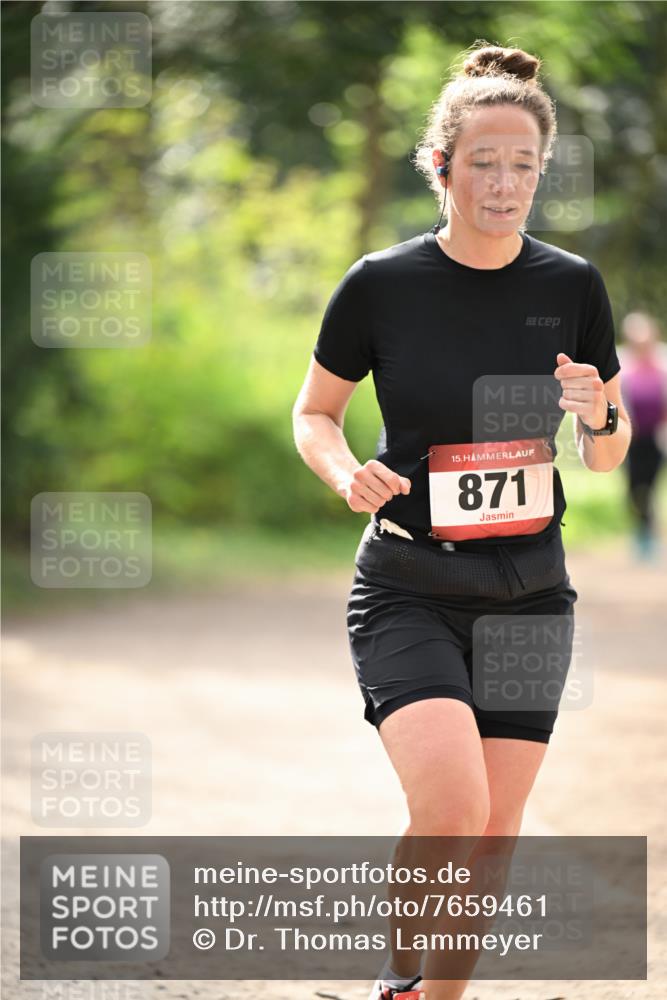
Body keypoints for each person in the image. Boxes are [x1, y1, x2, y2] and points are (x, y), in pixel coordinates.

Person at [292, 41, 631, 1000]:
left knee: (493, 831)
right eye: (483, 160)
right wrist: (342, 469)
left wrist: (593, 411)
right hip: (408, 583)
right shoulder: (381, 283)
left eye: (524, 164)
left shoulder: (572, 288)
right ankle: (400, 977)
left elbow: (606, 448)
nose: (505, 182)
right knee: (451, 808)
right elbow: (313, 410)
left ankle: (435, 998)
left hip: (529, 591)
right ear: (439, 166)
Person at [617, 312, 667, 560]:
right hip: (630, 440)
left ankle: (649, 535)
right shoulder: (621, 362)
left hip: (656, 439)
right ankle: (640, 531)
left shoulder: (663, 361)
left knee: (651, 486)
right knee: (634, 488)